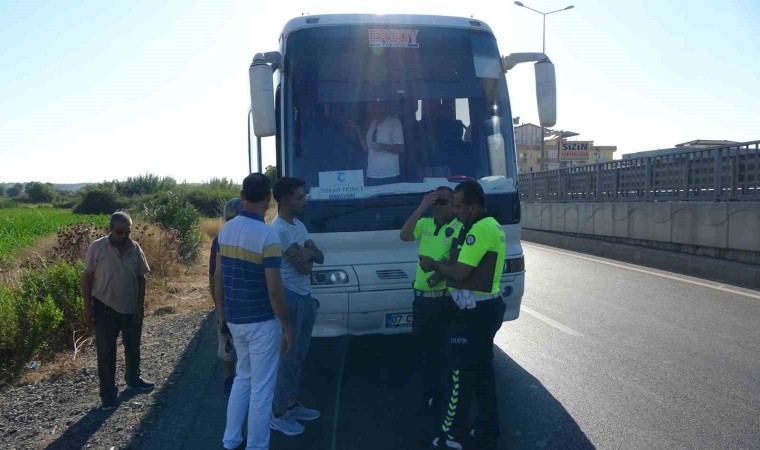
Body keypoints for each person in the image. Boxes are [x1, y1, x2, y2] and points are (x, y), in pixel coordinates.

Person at [419, 180, 507, 450]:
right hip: (486, 308)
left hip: (474, 314)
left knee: (458, 373)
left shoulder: (478, 230)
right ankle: (487, 430)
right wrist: (441, 272)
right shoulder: (490, 225)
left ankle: (452, 435)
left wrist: (434, 265)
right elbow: (465, 263)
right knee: (482, 373)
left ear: (473, 207)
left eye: (458, 207)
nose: (455, 212)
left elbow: (460, 273)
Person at [214, 173, 293, 450]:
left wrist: (222, 316)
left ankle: (231, 440)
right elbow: (275, 289)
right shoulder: (268, 235)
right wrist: (286, 325)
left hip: (236, 319)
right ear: (269, 199)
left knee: (242, 379)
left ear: (242, 195)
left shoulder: (226, 230)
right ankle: (257, 445)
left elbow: (219, 276)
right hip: (262, 321)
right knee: (262, 390)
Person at [81, 211, 153, 411]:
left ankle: (133, 379)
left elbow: (141, 278)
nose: (124, 236)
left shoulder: (135, 248)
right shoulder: (97, 247)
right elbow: (86, 278)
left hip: (131, 308)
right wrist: (87, 307)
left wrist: (140, 306)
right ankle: (108, 396)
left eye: (128, 232)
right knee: (106, 353)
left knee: (133, 347)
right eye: (120, 232)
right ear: (110, 229)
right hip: (104, 308)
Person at [400, 186, 462, 413]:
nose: (437, 207)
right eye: (434, 202)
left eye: (442, 202)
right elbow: (405, 235)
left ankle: (447, 397)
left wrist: (438, 274)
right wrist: (422, 205)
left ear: (453, 205)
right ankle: (430, 394)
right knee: (425, 350)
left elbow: (456, 258)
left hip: (445, 301)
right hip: (422, 301)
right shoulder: (425, 223)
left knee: (446, 351)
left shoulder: (459, 227)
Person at [270, 177, 324, 436]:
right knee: (287, 357)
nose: (305, 201)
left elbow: (319, 257)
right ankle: (278, 413)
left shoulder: (299, 226)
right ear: (284, 201)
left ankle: (291, 404)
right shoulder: (279, 230)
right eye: (300, 197)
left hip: (305, 296)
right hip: (289, 296)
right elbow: (304, 267)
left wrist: (308, 253)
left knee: (300, 354)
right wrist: (309, 254)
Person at [209, 197, 242, 398]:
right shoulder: (221, 238)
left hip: (234, 299)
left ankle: (233, 380)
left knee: (229, 342)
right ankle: (229, 380)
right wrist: (219, 310)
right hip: (228, 299)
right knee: (226, 342)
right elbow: (214, 275)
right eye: (229, 218)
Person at [347, 98, 405, 185]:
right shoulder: (372, 123)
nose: (375, 109)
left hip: (389, 174)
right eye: (373, 106)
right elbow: (366, 148)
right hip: (371, 174)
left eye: (379, 106)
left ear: (385, 107)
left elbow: (401, 148)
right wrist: (357, 130)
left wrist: (383, 146)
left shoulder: (394, 122)